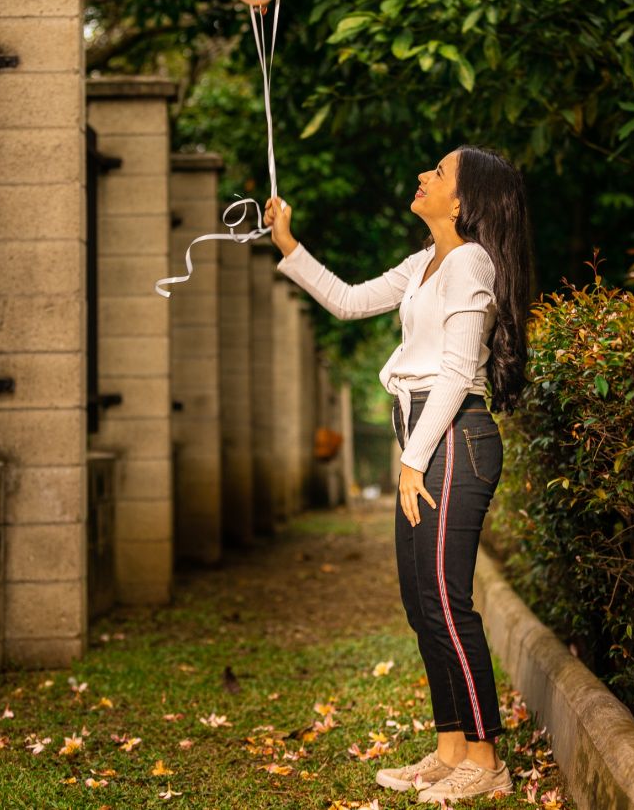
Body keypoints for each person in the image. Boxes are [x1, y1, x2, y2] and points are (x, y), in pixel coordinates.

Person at [263, 144, 531, 804]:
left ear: (465, 201)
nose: (422, 176)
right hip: (425, 438)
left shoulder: (471, 261)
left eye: (438, 173)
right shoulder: (426, 263)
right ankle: (448, 749)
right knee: (422, 602)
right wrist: (288, 244)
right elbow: (351, 301)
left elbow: (453, 368)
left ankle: (486, 759)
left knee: (446, 600)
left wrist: (413, 460)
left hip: (453, 439)